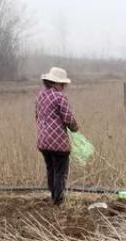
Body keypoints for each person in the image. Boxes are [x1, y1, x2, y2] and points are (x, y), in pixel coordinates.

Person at [36, 67, 79, 205]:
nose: (64, 87)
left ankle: (53, 195)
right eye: (62, 84)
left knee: (51, 169)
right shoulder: (59, 97)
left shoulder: (41, 95)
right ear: (55, 83)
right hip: (58, 143)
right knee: (60, 171)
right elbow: (68, 118)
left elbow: (37, 116)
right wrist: (75, 128)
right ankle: (58, 200)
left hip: (43, 142)